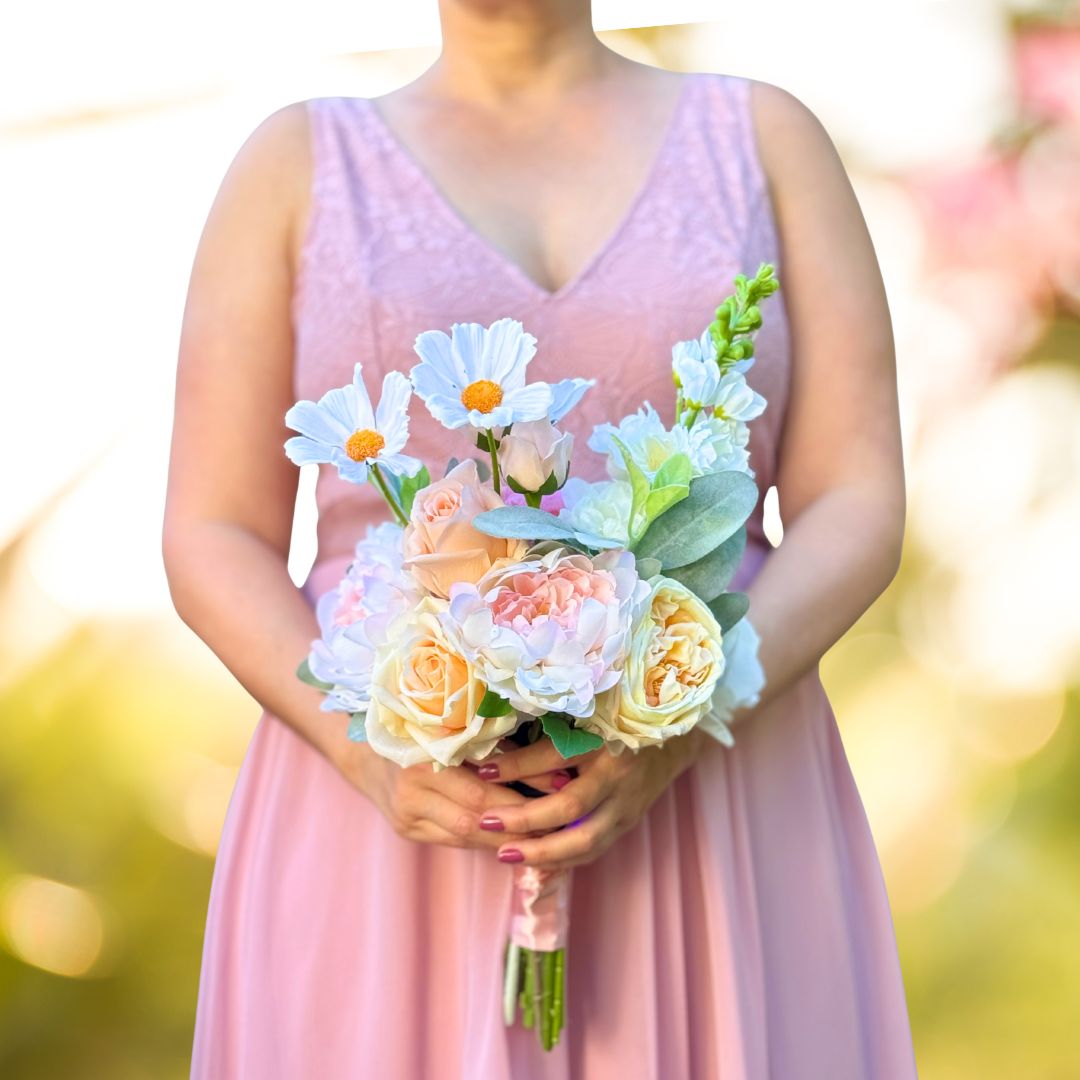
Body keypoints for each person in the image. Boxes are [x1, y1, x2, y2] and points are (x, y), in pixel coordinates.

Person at [163, 1, 917, 1076]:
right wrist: (370, 758)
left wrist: (691, 716)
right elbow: (210, 527)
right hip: (385, 815)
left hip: (715, 798)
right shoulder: (293, 163)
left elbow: (858, 496)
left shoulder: (765, 140)